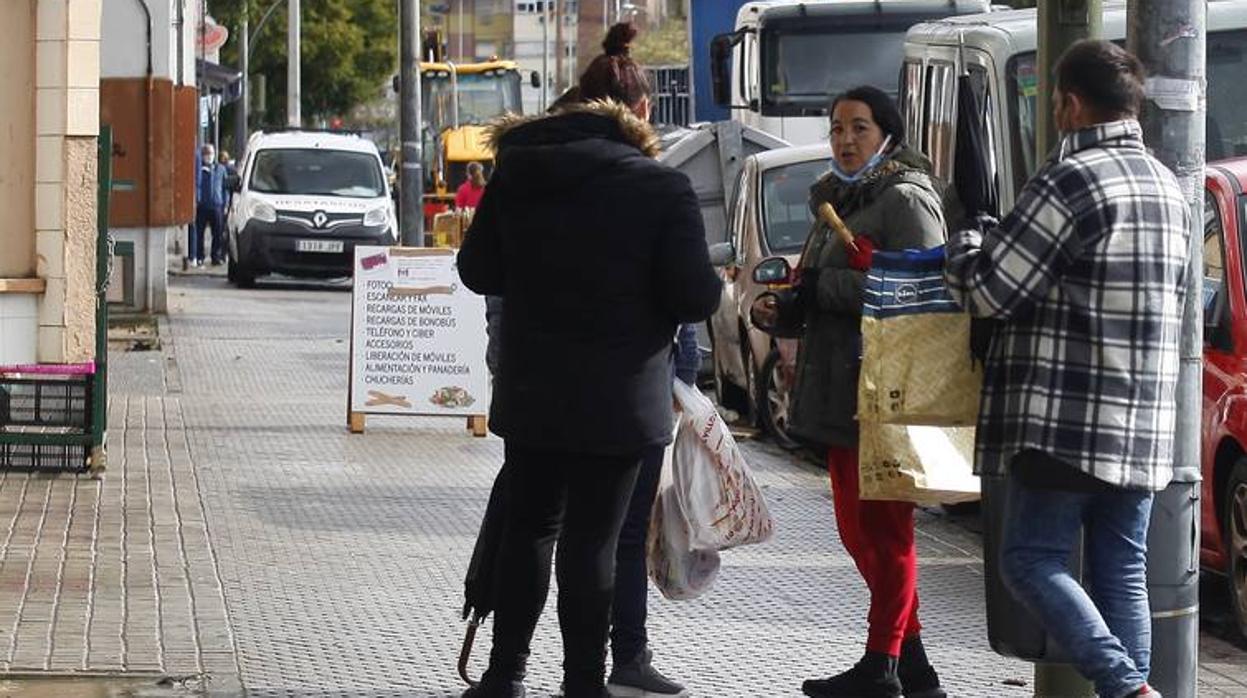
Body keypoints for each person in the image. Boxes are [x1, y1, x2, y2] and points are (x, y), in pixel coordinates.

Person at [455, 19, 722, 698]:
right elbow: (693, 295)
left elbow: (477, 269)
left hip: (533, 391)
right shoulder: (659, 188)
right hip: (620, 400)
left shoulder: (517, 172)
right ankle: (582, 685)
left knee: (529, 529)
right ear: (639, 115)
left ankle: (503, 675)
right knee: (593, 544)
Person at [945, 40, 1188, 698]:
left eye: (1054, 102)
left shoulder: (1069, 180)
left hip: (1065, 417)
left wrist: (968, 236)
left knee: (1028, 560)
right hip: (1142, 423)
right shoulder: (1168, 186)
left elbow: (990, 289)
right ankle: (1128, 689)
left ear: (1071, 104)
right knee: (1121, 575)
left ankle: (1126, 688)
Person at [782, 86, 948, 698]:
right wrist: (793, 300)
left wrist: (828, 288)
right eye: (836, 129)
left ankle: (881, 665)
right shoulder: (839, 197)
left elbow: (929, 288)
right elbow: (822, 282)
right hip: (836, 385)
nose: (845, 140)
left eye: (859, 127)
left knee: (886, 532)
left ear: (887, 135)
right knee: (857, 531)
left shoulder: (906, 198)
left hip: (887, 390)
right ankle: (916, 667)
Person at [194, 144, 229, 267]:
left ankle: (216, 256)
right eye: (206, 153)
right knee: (200, 233)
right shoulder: (199, 169)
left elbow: (225, 188)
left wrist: (226, 204)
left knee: (218, 233)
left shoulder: (220, 169)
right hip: (202, 206)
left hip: (217, 205)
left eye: (211, 153)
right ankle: (200, 256)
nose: (209, 156)